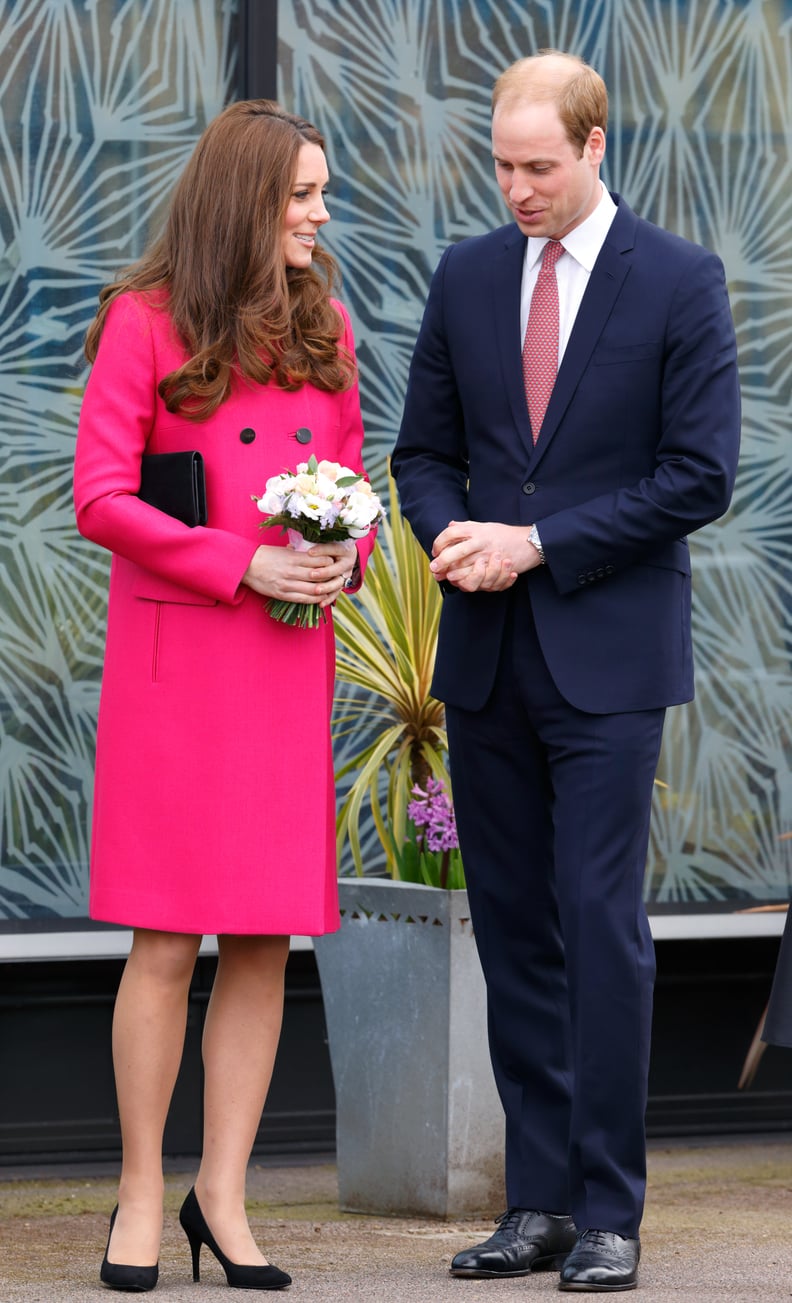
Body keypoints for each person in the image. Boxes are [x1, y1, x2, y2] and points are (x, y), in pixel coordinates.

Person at [392, 50, 740, 1292]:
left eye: (540, 166)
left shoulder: (682, 283)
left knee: (601, 929)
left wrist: (536, 542)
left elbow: (700, 476)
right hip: (484, 654)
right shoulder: (469, 274)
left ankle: (610, 1211)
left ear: (597, 148)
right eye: (503, 165)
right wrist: (448, 532)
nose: (519, 188)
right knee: (521, 935)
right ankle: (535, 1202)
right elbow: (421, 449)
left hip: (607, 657)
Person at [73, 99, 375, 1292]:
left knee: (262, 939)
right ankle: (143, 1188)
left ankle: (224, 1192)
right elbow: (101, 496)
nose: (318, 212)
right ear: (244, 201)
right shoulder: (142, 324)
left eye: (321, 192)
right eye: (300, 193)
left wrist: (337, 556)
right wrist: (238, 557)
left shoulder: (328, 324)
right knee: (164, 939)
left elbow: (348, 475)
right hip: (179, 672)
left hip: (284, 662)